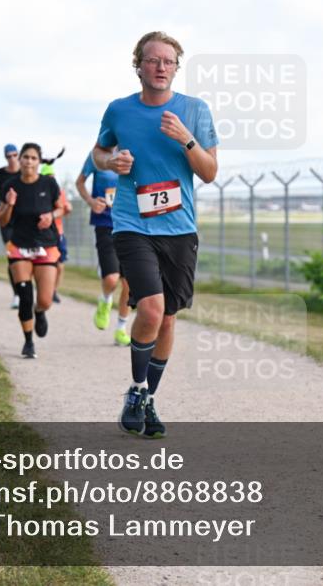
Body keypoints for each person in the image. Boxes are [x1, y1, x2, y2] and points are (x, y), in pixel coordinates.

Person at [93, 30, 219, 439]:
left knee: (166, 320)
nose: (161, 67)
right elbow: (98, 152)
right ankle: (136, 389)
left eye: (169, 62)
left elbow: (209, 171)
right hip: (132, 224)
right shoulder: (119, 110)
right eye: (153, 60)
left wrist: (186, 139)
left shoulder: (194, 110)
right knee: (149, 308)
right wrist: (113, 160)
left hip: (180, 228)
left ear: (176, 68)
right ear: (139, 65)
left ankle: (147, 398)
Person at [0, 142, 65, 359]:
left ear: (39, 161)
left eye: (33, 158)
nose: (28, 161)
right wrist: (9, 205)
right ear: (20, 160)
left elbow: (62, 207)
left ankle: (40, 311)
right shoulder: (9, 185)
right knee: (25, 295)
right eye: (25, 157)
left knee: (44, 299)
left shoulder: (49, 183)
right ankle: (28, 342)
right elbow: (3, 220)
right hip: (19, 246)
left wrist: (51, 216)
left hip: (45, 244)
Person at [76, 149, 133, 346]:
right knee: (111, 278)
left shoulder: (132, 152)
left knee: (130, 284)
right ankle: (106, 299)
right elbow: (79, 182)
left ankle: (121, 328)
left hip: (131, 225)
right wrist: (91, 201)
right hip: (105, 225)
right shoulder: (96, 156)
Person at [0, 144, 22, 309]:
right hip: (6, 220)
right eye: (8, 156)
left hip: (24, 220)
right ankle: (17, 294)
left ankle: (27, 289)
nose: (12, 158)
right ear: (5, 157)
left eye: (14, 155)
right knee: (13, 257)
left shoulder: (24, 171)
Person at [39, 155, 72, 304]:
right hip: (42, 234)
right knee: (44, 264)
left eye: (52, 177)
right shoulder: (38, 192)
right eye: (47, 176)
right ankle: (43, 290)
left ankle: (53, 291)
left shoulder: (60, 192)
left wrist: (67, 209)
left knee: (60, 265)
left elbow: (66, 208)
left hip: (58, 233)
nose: (50, 180)